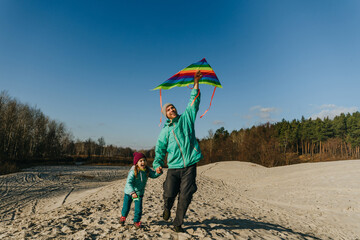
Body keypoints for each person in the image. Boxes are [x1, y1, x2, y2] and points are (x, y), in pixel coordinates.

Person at [153, 70, 203, 232]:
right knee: (169, 193)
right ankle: (167, 207)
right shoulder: (165, 131)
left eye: (173, 107)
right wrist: (158, 164)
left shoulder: (186, 118)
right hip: (173, 167)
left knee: (186, 195)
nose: (172, 109)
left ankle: (178, 223)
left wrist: (196, 82)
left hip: (190, 164)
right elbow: (160, 149)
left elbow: (193, 102)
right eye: (168, 109)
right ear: (166, 115)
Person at [120, 152, 160, 229]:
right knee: (126, 207)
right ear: (136, 163)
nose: (143, 162)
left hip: (139, 193)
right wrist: (132, 192)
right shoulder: (133, 171)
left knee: (138, 209)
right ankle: (123, 217)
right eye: (140, 161)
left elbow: (153, 175)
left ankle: (136, 221)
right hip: (129, 193)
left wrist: (158, 172)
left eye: (144, 160)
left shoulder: (147, 170)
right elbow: (129, 183)